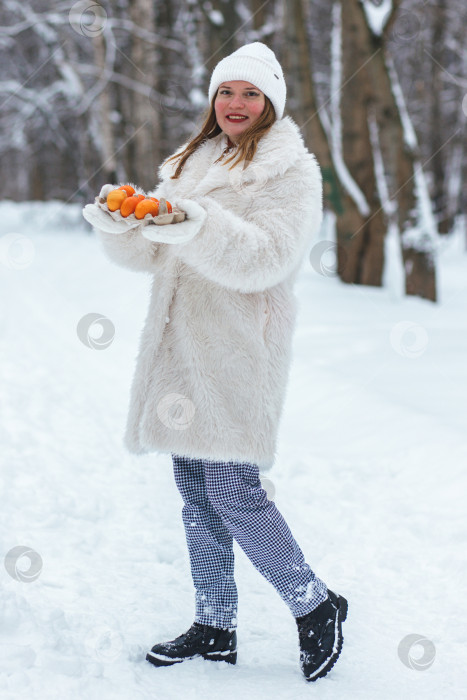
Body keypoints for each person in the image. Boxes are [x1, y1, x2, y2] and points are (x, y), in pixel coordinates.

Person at [83, 42, 348, 682]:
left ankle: (314, 604)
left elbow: (267, 258)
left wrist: (196, 223)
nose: (235, 104)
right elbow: (158, 254)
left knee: (234, 488)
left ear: (271, 102)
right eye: (226, 92)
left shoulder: (293, 172)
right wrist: (122, 225)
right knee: (196, 491)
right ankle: (215, 625)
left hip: (238, 348)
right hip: (179, 349)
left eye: (250, 93)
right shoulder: (192, 161)